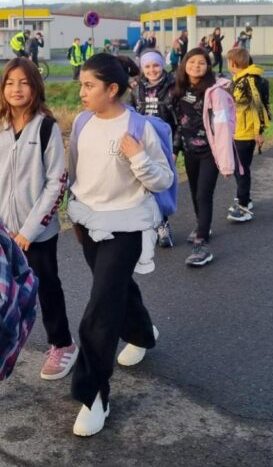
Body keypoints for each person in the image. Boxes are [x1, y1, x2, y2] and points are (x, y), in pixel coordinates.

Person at [66, 53, 174, 436]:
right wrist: (74, 212)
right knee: (115, 290)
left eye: (89, 85)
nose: (82, 92)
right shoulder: (81, 122)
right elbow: (76, 172)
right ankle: (142, 332)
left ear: (112, 89)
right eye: (81, 85)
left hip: (127, 226)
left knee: (100, 308)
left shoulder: (139, 127)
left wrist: (139, 157)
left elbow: (164, 179)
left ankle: (93, 394)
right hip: (88, 223)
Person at [0, 58, 75, 409]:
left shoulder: (46, 128)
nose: (16, 89)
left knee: (46, 287)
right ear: (2, 88)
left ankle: (62, 344)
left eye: (24, 82)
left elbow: (56, 182)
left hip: (38, 233)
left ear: (35, 87)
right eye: (10, 82)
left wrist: (30, 230)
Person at [171, 48, 236, 267]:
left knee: (203, 194)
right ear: (184, 64)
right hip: (189, 151)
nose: (196, 66)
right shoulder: (180, 89)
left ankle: (202, 245)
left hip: (210, 152)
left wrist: (226, 163)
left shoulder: (215, 92)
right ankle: (203, 226)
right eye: (192, 62)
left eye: (201, 62)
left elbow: (223, 128)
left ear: (208, 66)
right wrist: (175, 149)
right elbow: (178, 123)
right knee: (194, 192)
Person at [132, 50, 177, 249]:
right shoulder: (136, 88)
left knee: (160, 184)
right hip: (142, 143)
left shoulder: (173, 87)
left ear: (162, 65)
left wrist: (176, 148)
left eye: (156, 65)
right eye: (148, 66)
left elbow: (180, 120)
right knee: (143, 185)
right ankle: (148, 225)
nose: (152, 70)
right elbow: (130, 114)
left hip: (164, 143)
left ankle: (162, 224)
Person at [227, 47, 268, 222]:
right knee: (239, 169)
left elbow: (258, 107)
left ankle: (243, 206)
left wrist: (258, 132)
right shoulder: (238, 79)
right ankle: (244, 198)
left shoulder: (248, 81)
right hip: (237, 131)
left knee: (242, 170)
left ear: (233, 63)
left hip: (246, 134)